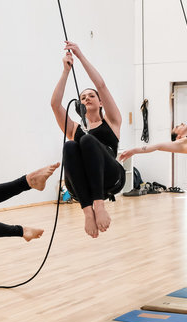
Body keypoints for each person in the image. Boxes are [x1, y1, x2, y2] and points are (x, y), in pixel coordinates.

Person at [50, 41, 125, 238]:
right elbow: (55, 104)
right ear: (79, 106)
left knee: (87, 141)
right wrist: (65, 72)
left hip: (109, 177)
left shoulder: (112, 121)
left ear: (100, 102)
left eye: (91, 96)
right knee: (70, 145)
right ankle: (87, 211)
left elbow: (101, 85)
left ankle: (99, 205)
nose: (87, 98)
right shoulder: (75, 128)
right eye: (83, 97)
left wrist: (80, 56)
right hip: (83, 185)